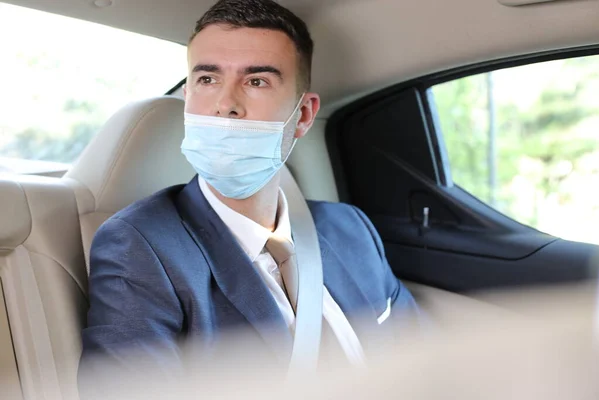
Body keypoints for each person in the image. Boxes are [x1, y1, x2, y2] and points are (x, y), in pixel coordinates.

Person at [79, 0, 420, 384]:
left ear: (303, 115)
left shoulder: (350, 227)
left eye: (256, 81)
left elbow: (424, 361)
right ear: (188, 97)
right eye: (207, 79)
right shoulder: (139, 247)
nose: (226, 105)